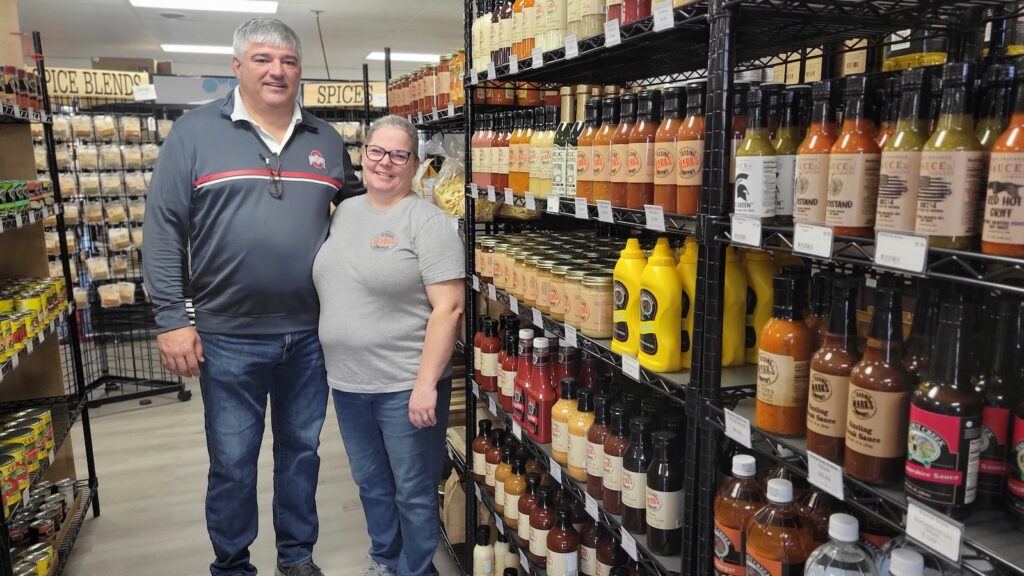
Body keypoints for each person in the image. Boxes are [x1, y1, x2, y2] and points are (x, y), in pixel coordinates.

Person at [143, 17, 363, 576]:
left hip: (310, 336)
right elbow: (163, 227)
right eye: (263, 59)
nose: (277, 71)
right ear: (237, 66)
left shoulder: (326, 139)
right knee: (234, 462)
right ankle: (233, 565)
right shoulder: (194, 134)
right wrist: (172, 318)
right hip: (227, 335)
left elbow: (360, 217)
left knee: (301, 456)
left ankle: (297, 558)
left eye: (289, 61)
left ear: (300, 72)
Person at [312, 115, 465, 576]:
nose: (386, 162)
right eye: (378, 151)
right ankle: (385, 560)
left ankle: (416, 570)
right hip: (349, 383)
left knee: (413, 490)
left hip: (405, 385)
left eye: (400, 154)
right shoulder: (346, 213)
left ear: (414, 164)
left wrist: (424, 386)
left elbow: (450, 309)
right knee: (371, 484)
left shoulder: (430, 222)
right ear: (363, 155)